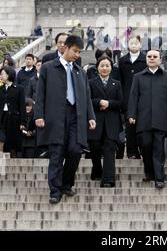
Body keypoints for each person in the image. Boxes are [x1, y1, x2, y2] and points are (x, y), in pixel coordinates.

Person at [34, 35, 96, 204]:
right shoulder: (48, 68)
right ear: (66, 47)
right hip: (56, 115)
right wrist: (39, 115)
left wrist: (91, 116)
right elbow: (40, 94)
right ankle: (55, 190)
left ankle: (66, 184)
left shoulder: (80, 72)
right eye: (75, 51)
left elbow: (87, 96)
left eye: (79, 52)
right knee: (56, 153)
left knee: (76, 150)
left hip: (76, 116)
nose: (77, 55)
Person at [128, 49, 167, 189]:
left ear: (160, 60)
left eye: (155, 56)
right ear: (146, 59)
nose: (152, 58)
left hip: (160, 120)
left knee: (159, 149)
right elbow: (133, 97)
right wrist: (132, 115)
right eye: (149, 56)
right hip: (143, 120)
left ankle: (159, 178)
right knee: (146, 146)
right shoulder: (138, 77)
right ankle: (149, 172)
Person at [88, 56, 123, 186]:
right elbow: (87, 100)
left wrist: (109, 103)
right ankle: (97, 170)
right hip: (95, 121)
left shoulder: (117, 83)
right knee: (94, 148)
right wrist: (99, 102)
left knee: (110, 150)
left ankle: (108, 179)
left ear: (111, 68)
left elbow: (121, 102)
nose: (104, 68)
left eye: (107, 65)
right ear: (97, 68)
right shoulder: (90, 82)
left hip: (111, 121)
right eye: (102, 65)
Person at [119, 35, 147, 159]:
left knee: (142, 125)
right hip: (127, 97)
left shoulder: (146, 59)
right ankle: (131, 152)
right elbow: (120, 80)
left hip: (143, 98)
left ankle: (143, 150)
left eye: (136, 43)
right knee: (130, 127)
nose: (134, 45)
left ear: (140, 44)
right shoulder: (123, 60)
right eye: (131, 43)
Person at [0, 66, 26, 158]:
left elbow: (22, 106)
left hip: (14, 119)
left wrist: (23, 122)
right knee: (1, 139)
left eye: (2, 74)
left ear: (8, 75)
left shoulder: (19, 88)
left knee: (13, 143)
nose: (0, 76)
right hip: (2, 118)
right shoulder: (1, 88)